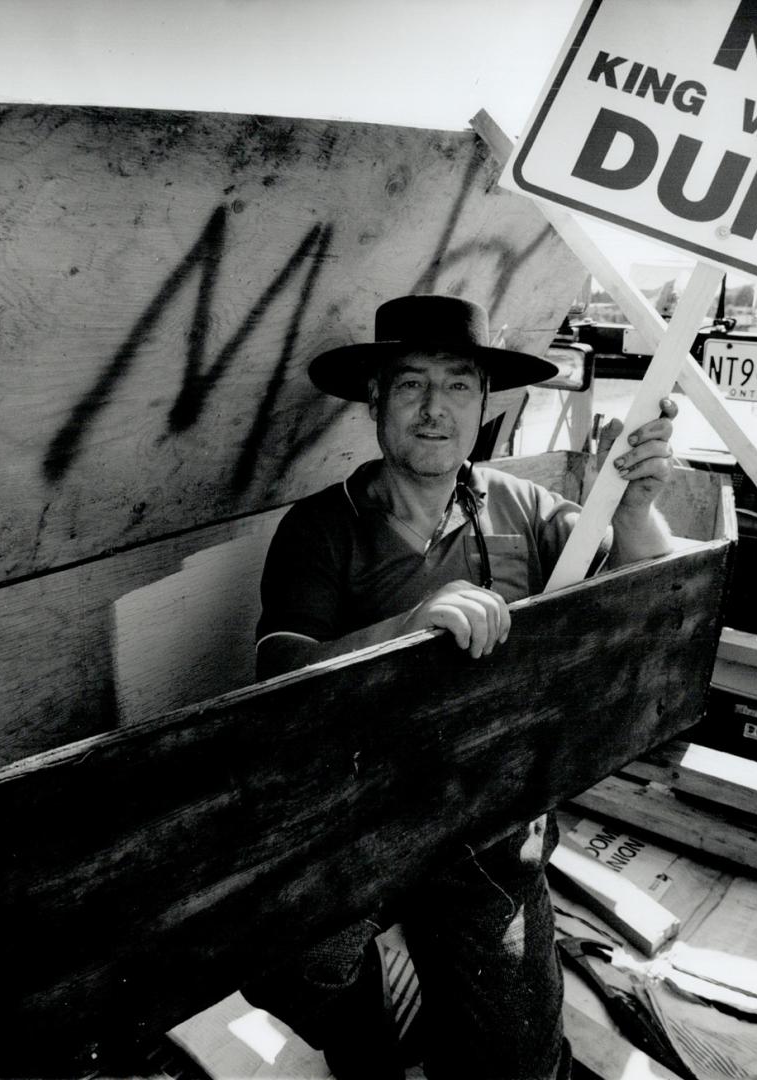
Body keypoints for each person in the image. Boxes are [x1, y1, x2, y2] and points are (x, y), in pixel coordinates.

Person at [246, 294, 677, 1080]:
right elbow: (277, 672)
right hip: (358, 820)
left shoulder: (526, 507)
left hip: (492, 822)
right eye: (410, 385)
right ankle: (378, 1032)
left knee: (517, 1065)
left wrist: (639, 508)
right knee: (284, 960)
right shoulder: (320, 526)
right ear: (375, 401)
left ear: (484, 403)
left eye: (457, 386)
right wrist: (408, 627)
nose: (433, 410)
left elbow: (640, 591)